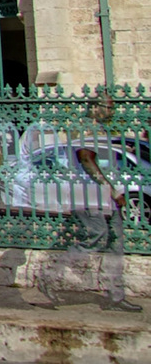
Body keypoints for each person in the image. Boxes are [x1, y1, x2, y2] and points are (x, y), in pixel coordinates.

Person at [42, 96, 141, 312]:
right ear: (95, 108)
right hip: (88, 193)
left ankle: (115, 296)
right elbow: (86, 160)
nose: (112, 111)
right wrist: (112, 191)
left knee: (115, 243)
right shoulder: (85, 129)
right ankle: (49, 276)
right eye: (108, 107)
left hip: (104, 194)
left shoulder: (101, 130)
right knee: (97, 238)